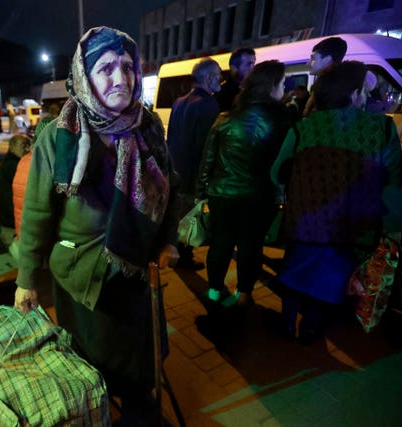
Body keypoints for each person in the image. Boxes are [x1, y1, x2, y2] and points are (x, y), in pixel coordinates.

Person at [13, 26, 181, 424]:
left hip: (136, 267)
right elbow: (37, 213)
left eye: (127, 66)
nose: (120, 78)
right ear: (84, 76)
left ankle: (138, 409)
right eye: (105, 68)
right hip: (82, 275)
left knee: (141, 353)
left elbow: (171, 188)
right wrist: (25, 279)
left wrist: (168, 239)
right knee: (95, 356)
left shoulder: (148, 127)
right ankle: (104, 410)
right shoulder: (58, 136)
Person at [271, 61, 402, 344]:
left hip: (304, 223)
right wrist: (390, 227)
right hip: (352, 229)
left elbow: (277, 172)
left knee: (294, 276)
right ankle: (309, 331)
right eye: (363, 93)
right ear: (354, 94)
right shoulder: (381, 129)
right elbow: (394, 183)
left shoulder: (303, 128)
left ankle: (286, 326)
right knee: (327, 284)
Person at [196, 60, 294, 308]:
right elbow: (287, 166)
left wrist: (201, 193)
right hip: (260, 197)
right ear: (271, 86)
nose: (285, 88)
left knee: (221, 243)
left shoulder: (226, 118)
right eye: (282, 83)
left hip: (223, 194)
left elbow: (207, 160)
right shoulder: (284, 121)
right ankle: (244, 293)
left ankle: (215, 291)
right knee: (251, 246)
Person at [167, 58, 222, 269]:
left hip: (177, 168)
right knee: (189, 216)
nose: (220, 80)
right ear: (208, 78)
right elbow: (208, 146)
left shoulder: (179, 102)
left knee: (179, 213)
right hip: (193, 171)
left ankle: (178, 253)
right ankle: (183, 256)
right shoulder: (209, 104)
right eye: (218, 75)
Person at [0, 134, 31, 232]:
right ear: (12, 147)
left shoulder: (7, 162)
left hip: (1, 214)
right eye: (23, 145)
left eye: (28, 145)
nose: (27, 149)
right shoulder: (15, 166)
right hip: (10, 219)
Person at [302, 36, 347, 117]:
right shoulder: (341, 83)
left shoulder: (327, 88)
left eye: (313, 58)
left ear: (327, 59)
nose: (308, 63)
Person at [216, 47, 256, 112]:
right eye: (248, 64)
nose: (252, 68)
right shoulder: (222, 94)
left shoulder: (254, 89)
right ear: (234, 68)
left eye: (253, 64)